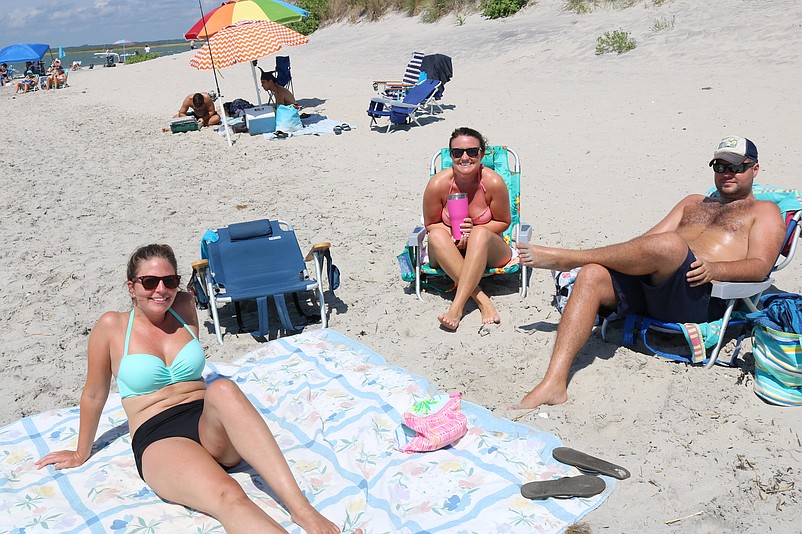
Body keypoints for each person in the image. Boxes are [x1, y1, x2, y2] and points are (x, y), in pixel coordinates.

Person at [36, 244, 352, 534]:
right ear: (131, 287)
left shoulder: (185, 306)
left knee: (224, 389)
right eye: (149, 282)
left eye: (169, 281)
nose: (161, 290)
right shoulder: (111, 327)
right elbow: (94, 393)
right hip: (159, 436)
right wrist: (81, 451)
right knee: (229, 494)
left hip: (208, 424)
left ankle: (302, 510)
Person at [514, 136, 787, 409]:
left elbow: (760, 266)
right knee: (592, 274)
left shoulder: (764, 211)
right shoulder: (693, 202)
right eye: (720, 165)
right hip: (652, 285)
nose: (727, 173)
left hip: (697, 294)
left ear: (755, 169)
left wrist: (715, 268)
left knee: (671, 244)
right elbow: (645, 242)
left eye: (738, 167)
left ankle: (569, 259)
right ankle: (554, 382)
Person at [422, 127, 513, 330]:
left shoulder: (493, 183)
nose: (465, 157)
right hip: (448, 249)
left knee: (480, 233)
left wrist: (475, 230)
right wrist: (453, 234)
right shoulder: (437, 184)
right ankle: (481, 298)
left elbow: (504, 221)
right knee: (436, 235)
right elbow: (431, 224)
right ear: (450, 155)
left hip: (488, 249)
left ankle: (456, 308)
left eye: (472, 151)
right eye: (457, 152)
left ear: (481, 153)